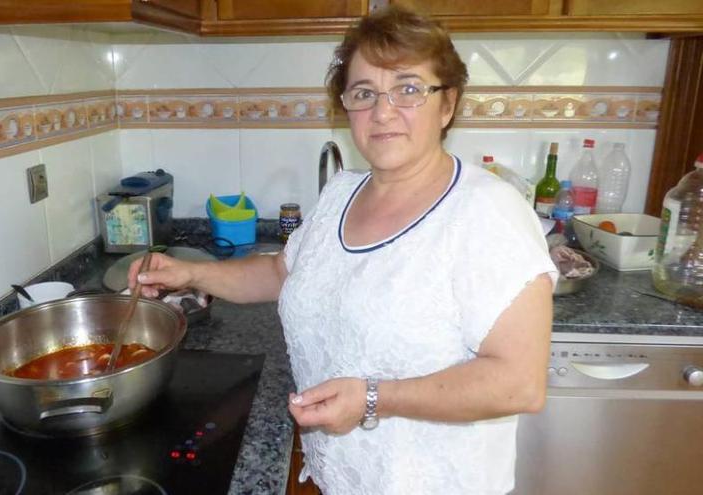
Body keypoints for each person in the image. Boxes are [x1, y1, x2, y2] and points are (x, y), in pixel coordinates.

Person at [128, 6, 557, 494]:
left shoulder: (487, 213)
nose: (383, 110)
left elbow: (518, 382)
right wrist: (190, 275)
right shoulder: (341, 194)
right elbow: (279, 272)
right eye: (364, 93)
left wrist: (373, 399)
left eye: (409, 88)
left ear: (448, 104)